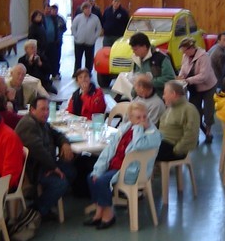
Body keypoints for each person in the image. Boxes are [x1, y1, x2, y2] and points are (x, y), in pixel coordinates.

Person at [85, 101, 161, 230]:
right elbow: (109, 150)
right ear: (130, 119)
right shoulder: (124, 129)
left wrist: (139, 128)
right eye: (138, 118)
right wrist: (98, 169)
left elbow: (138, 145)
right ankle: (99, 212)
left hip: (131, 170)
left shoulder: (153, 134)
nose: (142, 120)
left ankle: (108, 214)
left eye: (144, 117)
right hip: (115, 165)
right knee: (92, 177)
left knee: (102, 181)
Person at [15, 96, 75, 223]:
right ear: (32, 110)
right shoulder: (28, 125)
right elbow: (39, 151)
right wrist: (54, 168)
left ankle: (47, 201)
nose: (46, 112)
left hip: (45, 165)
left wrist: (64, 143)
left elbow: (57, 134)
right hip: (33, 170)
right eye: (42, 109)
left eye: (47, 109)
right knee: (61, 183)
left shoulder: (41, 123)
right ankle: (36, 210)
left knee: (72, 170)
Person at [176, 37, 216, 142]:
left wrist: (188, 80)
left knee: (208, 110)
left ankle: (208, 132)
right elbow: (183, 70)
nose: (183, 53)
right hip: (194, 88)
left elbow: (204, 76)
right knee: (194, 111)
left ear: (191, 48)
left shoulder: (204, 57)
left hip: (208, 87)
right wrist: (180, 77)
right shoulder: (185, 56)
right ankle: (196, 133)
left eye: (184, 51)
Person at [156, 80, 200, 161]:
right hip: (162, 143)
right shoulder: (170, 108)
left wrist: (177, 150)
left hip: (174, 148)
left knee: (146, 153)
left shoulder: (189, 109)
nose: (163, 96)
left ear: (173, 94)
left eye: (165, 93)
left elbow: (191, 135)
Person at [72, 1, 102, 75]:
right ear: (83, 9)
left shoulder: (95, 18)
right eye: (86, 9)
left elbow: (99, 29)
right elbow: (73, 27)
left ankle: (88, 73)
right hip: (79, 42)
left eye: (89, 8)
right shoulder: (78, 18)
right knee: (78, 59)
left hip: (90, 42)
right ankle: (77, 73)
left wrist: (94, 38)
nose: (88, 10)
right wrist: (76, 36)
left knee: (89, 59)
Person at [47, 4, 67, 79]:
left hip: (58, 42)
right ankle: (48, 72)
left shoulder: (60, 19)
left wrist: (60, 31)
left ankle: (56, 73)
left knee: (57, 58)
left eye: (56, 10)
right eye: (53, 10)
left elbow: (65, 28)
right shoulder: (47, 19)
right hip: (49, 42)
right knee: (49, 58)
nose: (54, 11)